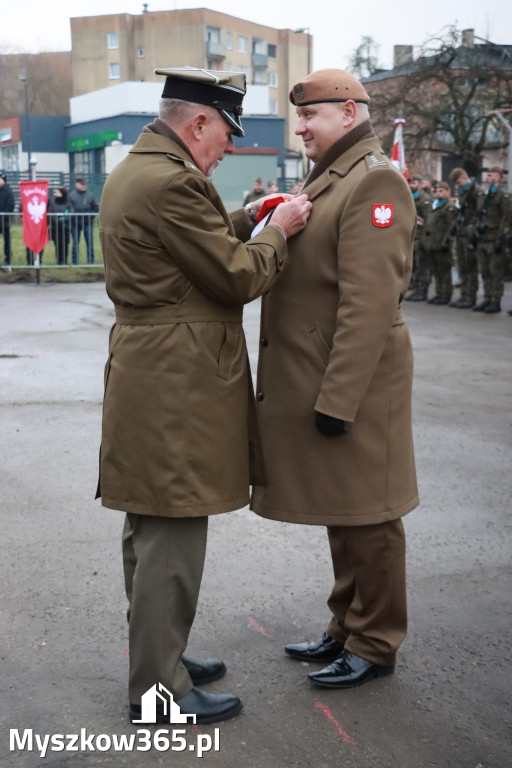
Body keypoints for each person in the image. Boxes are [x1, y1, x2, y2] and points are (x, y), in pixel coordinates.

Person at [96, 66, 311, 725]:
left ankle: (159, 658)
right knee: (172, 534)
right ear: (198, 124)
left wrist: (249, 215)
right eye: (225, 135)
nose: (229, 147)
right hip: (175, 384)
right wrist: (281, 230)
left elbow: (191, 245)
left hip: (155, 373)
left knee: (152, 526)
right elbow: (235, 274)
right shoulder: (170, 182)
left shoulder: (146, 170)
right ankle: (158, 696)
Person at [251, 68, 418, 690]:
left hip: (357, 383)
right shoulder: (332, 176)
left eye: (311, 116)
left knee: (371, 518)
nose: (302, 128)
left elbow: (368, 306)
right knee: (343, 511)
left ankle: (375, 641)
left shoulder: (375, 181)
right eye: (301, 118)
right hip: (328, 379)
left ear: (349, 114)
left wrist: (338, 399)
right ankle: (345, 625)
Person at [472, 166, 511, 313]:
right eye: (487, 175)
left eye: (491, 175)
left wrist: (501, 238)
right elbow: (478, 214)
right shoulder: (484, 194)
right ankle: (487, 297)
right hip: (482, 238)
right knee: (485, 271)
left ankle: (496, 300)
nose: (488, 177)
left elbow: (506, 217)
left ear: (498, 177)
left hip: (494, 238)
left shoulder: (502, 195)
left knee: (496, 272)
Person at [448, 167, 480, 308]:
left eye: (457, 182)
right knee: (462, 266)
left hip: (470, 233)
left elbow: (478, 213)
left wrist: (471, 229)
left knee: (470, 266)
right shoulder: (463, 191)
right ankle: (464, 295)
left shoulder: (475, 191)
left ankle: (470, 296)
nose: (456, 185)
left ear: (462, 178)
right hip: (461, 233)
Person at [423, 181, 456, 305]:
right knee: (435, 271)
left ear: (447, 192)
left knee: (445, 271)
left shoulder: (449, 206)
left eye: (441, 191)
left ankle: (446, 294)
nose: (438, 193)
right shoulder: (434, 204)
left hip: (442, 244)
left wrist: (446, 242)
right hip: (432, 243)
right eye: (437, 191)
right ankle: (438, 293)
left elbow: (451, 226)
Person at [405, 174, 432, 301]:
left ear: (420, 185)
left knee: (421, 265)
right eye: (410, 183)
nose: (411, 185)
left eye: (414, 183)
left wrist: (425, 239)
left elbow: (428, 220)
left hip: (420, 236)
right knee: (413, 264)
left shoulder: (425, 199)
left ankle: (422, 290)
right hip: (411, 236)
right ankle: (415, 286)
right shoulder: (407, 196)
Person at [69, 177, 97, 264]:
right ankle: (75, 261)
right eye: (81, 184)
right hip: (75, 224)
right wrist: (72, 218)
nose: (83, 185)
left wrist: (90, 217)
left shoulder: (90, 195)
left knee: (89, 243)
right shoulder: (71, 196)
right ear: (77, 185)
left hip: (87, 223)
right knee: (75, 243)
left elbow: (95, 208)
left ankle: (90, 261)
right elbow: (68, 209)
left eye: (84, 184)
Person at [48, 187, 70, 265]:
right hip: (55, 228)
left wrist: (62, 220)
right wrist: (56, 220)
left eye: (58, 192)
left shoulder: (67, 203)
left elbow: (68, 213)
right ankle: (59, 261)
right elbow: (51, 212)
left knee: (65, 244)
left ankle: (64, 261)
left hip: (65, 227)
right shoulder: (53, 203)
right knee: (57, 245)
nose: (56, 194)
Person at [0, 173, 15, 267]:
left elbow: (11, 206)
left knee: (7, 242)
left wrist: (3, 216)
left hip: (4, 222)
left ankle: (7, 260)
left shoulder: (8, 191)